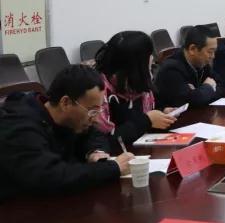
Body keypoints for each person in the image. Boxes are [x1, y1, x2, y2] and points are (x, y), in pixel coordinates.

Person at [0, 65, 134, 201]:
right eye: (92, 111)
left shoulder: (67, 118)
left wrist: (95, 152)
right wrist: (112, 168)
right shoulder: (20, 128)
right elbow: (51, 177)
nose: (95, 119)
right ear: (66, 103)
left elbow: (94, 134)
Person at [94, 31, 176, 148]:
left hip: (140, 147)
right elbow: (104, 142)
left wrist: (162, 112)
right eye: (149, 55)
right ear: (136, 64)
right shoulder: (99, 93)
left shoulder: (137, 83)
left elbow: (144, 113)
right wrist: (147, 120)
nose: (152, 59)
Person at [155, 25, 225, 108]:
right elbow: (189, 102)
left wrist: (199, 93)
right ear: (192, 49)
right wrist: (208, 87)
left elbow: (222, 85)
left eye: (214, 52)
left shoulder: (202, 63)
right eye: (210, 52)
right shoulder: (171, 69)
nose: (213, 56)